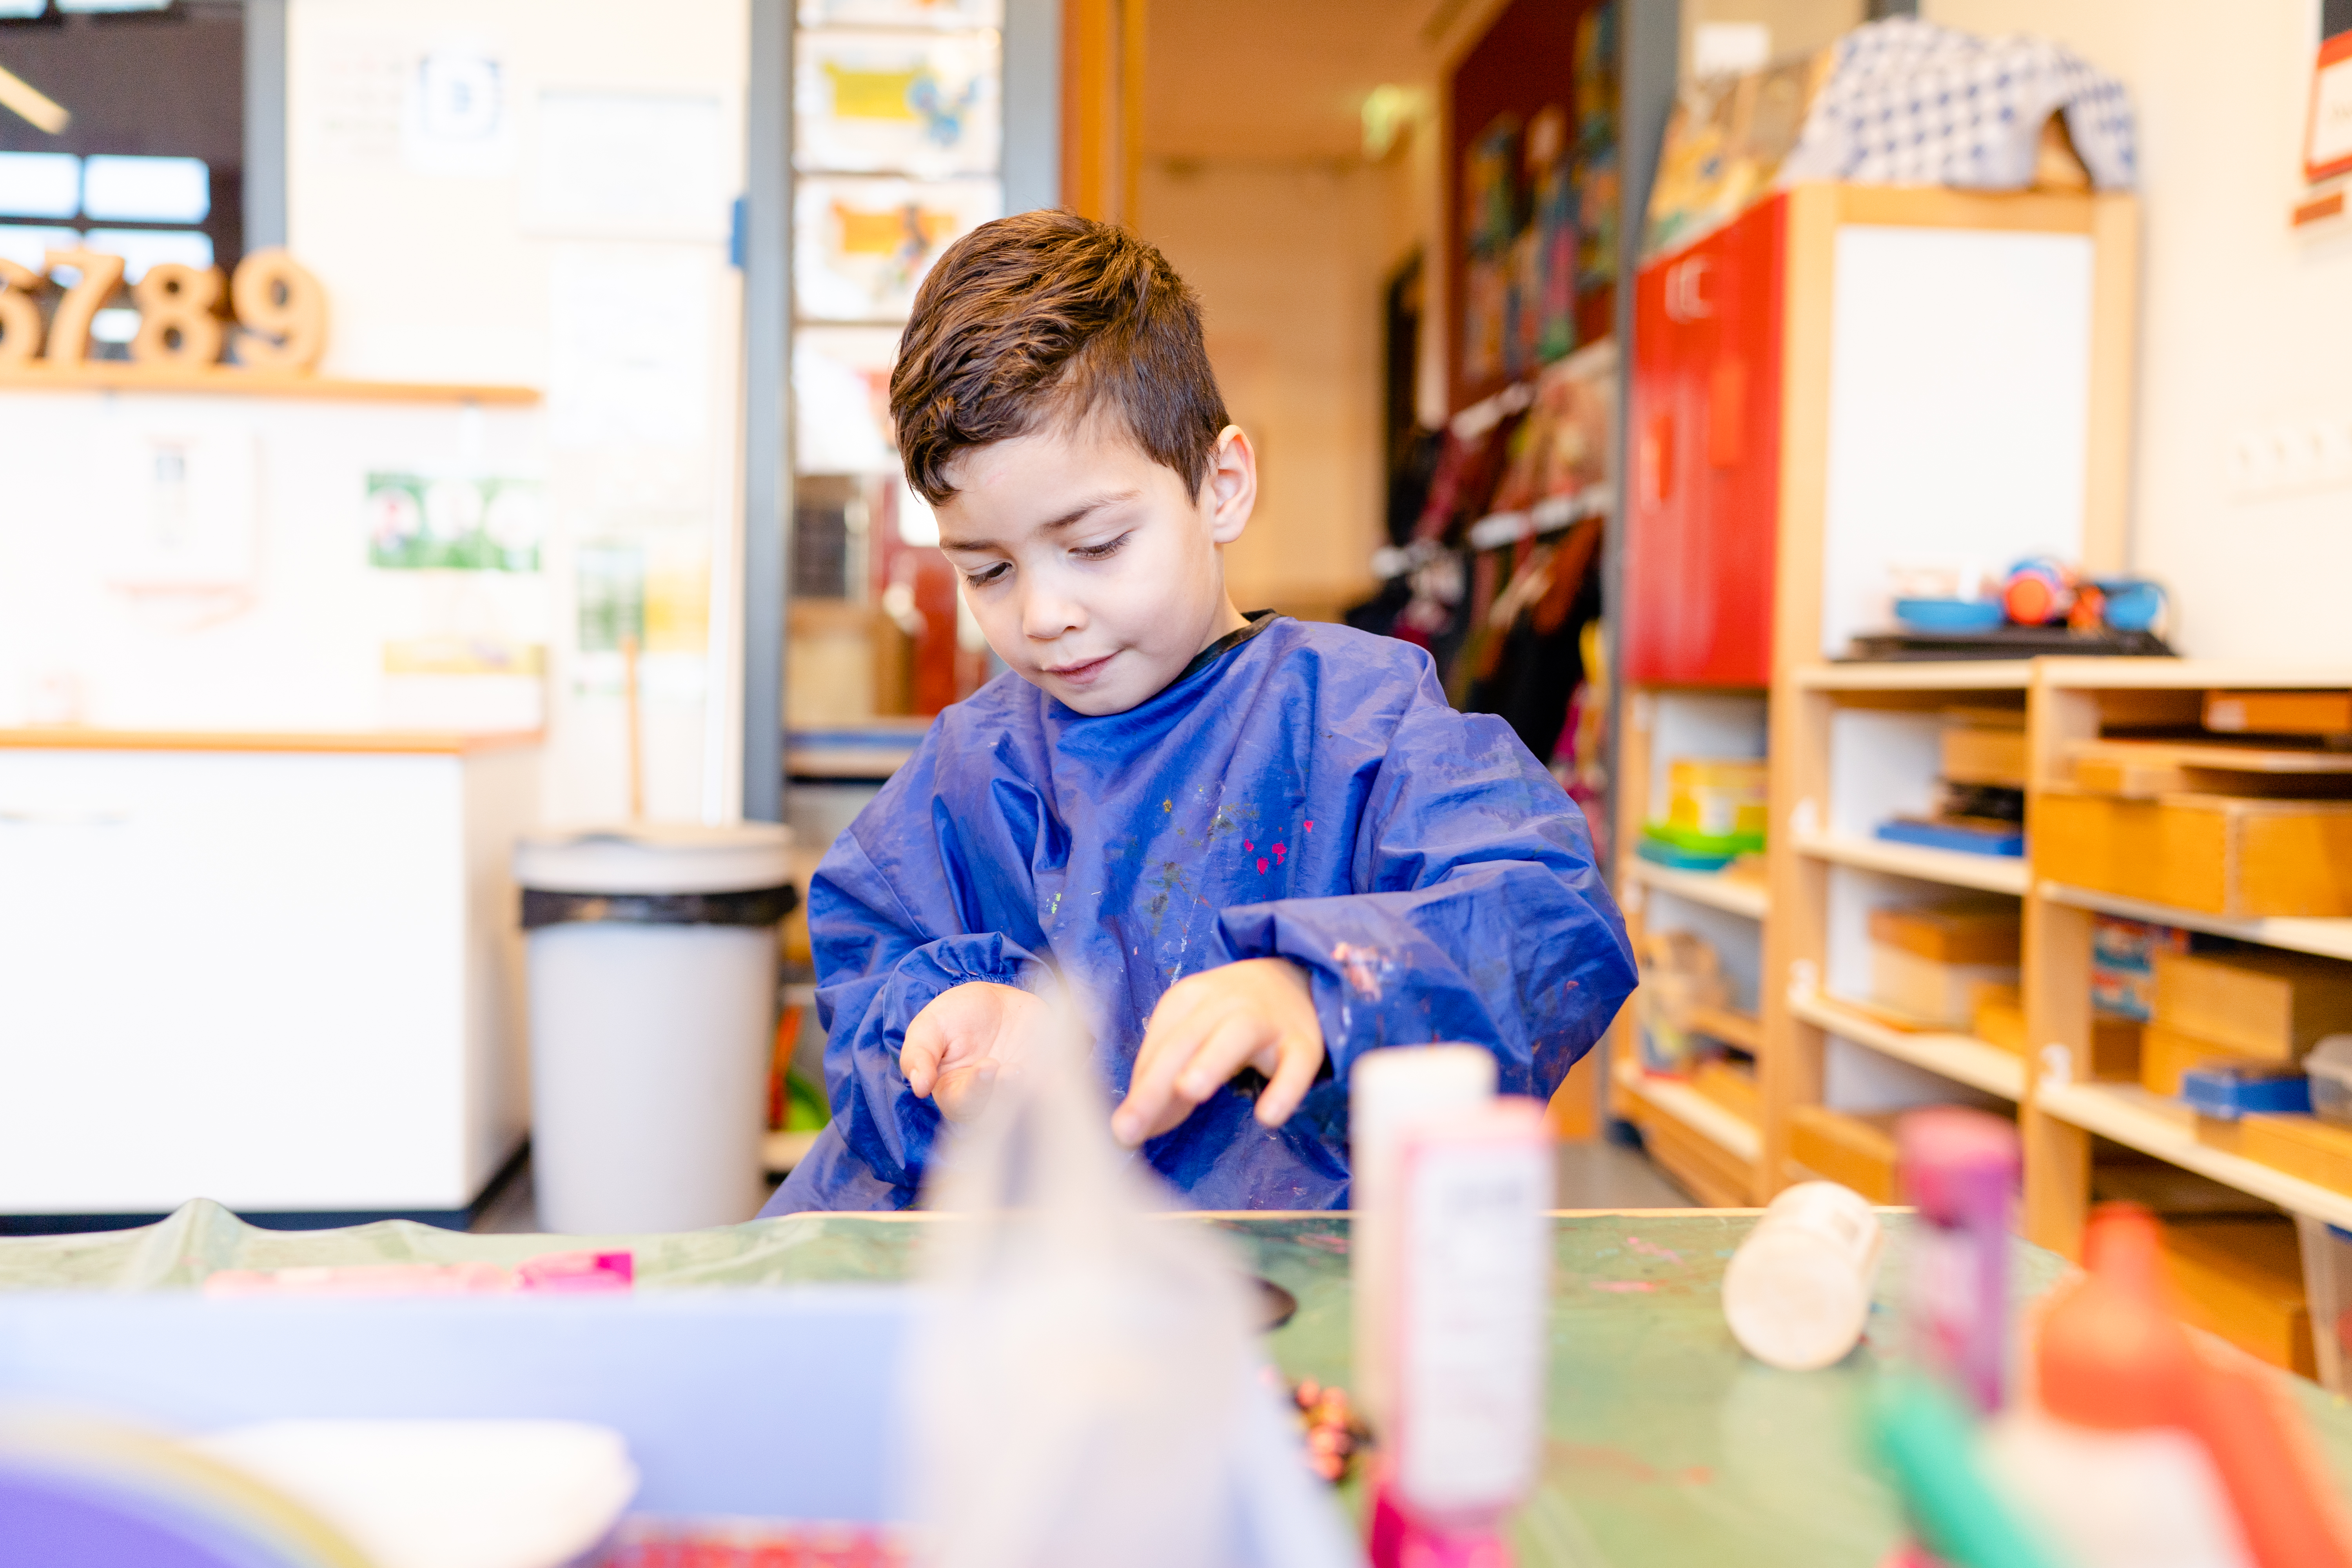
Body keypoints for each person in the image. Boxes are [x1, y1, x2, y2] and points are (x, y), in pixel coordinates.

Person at [764, 210, 1634, 1214]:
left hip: (1287, 1293)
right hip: (1032, 1292)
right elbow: (872, 975)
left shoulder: (1359, 721)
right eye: (990, 569)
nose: (1045, 613)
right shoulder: (971, 769)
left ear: (1221, 486)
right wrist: (945, 1029)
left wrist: (1318, 988)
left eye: (1093, 545)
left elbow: (1549, 917)